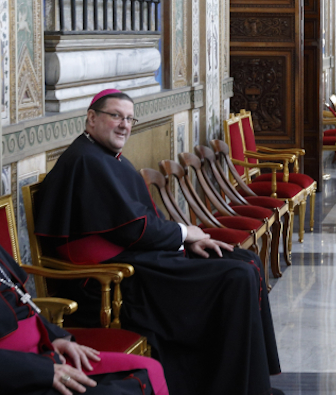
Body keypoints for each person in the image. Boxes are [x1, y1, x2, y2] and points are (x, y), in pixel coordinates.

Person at [32, 89, 282, 395]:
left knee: (247, 261)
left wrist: (184, 243)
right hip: (112, 279)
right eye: (115, 116)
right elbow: (132, 226)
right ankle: (229, 387)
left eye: (129, 118)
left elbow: (137, 221)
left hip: (138, 259)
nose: (124, 124)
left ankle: (252, 385)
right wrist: (185, 234)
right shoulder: (86, 160)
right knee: (236, 277)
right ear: (92, 118)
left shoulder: (106, 156)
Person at [0, 246, 169, 395]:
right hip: (19, 373)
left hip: (44, 353)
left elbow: (23, 302)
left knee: (149, 369)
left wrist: (56, 337)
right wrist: (44, 371)